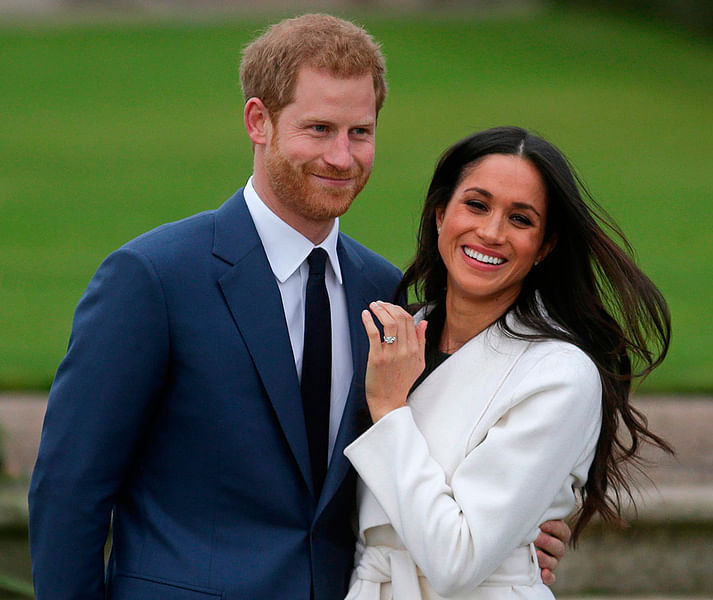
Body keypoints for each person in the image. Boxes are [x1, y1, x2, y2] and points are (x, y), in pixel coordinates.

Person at [28, 16, 568, 600]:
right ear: (258, 121)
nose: (342, 156)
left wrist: (518, 531)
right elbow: (69, 490)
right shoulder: (154, 278)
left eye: (360, 132)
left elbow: (421, 458)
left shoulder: (386, 293)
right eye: (319, 128)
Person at [343, 126, 673, 599]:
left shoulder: (559, 375)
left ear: (545, 246)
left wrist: (391, 410)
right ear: (441, 213)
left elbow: (457, 559)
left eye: (520, 219)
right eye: (476, 205)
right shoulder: (392, 338)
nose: (491, 232)